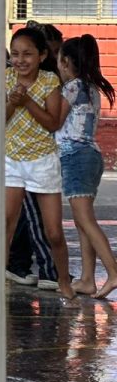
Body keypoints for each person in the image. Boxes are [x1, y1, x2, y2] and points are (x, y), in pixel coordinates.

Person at [4, 26, 74, 303]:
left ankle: (64, 280)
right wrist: (12, 102)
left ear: (42, 55)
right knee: (6, 225)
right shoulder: (6, 78)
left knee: (54, 232)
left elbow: (53, 123)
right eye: (16, 54)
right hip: (11, 160)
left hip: (42, 162)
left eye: (28, 54)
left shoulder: (48, 82)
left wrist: (27, 101)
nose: (20, 60)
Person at [53, 36, 117, 298]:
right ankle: (87, 279)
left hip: (75, 156)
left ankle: (113, 273)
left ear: (66, 62)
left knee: (84, 219)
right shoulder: (90, 87)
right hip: (90, 155)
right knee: (82, 220)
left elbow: (54, 120)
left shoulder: (71, 87)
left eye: (58, 60)